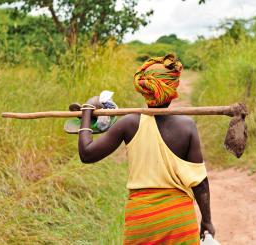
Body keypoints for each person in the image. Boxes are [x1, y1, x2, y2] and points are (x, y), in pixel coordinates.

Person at [78, 54, 215, 244]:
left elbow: (87, 153)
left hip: (142, 220)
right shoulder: (187, 126)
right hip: (179, 220)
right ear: (173, 88)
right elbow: (200, 183)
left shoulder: (128, 123)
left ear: (144, 89)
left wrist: (86, 110)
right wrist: (207, 221)